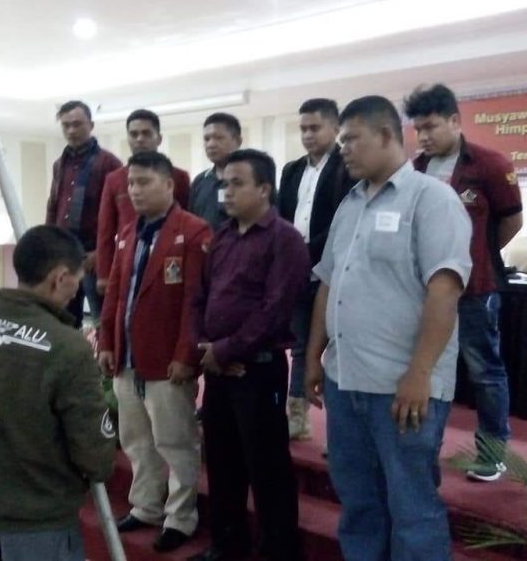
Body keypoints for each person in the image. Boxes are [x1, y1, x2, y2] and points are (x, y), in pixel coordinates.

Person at [305, 96, 472, 561]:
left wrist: (420, 373)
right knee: (358, 499)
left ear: (385, 135)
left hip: (403, 386)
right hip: (345, 380)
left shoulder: (432, 199)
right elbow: (328, 283)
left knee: (411, 504)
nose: (343, 150)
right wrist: (315, 356)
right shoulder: (350, 204)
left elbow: (444, 290)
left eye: (351, 139)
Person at [0, 225, 116, 561]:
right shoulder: (67, 346)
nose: (77, 290)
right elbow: (94, 452)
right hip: (41, 512)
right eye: (77, 279)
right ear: (59, 278)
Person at [189, 149, 309, 561]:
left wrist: (225, 350)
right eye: (224, 183)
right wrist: (206, 348)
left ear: (264, 189)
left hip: (258, 371)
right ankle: (227, 545)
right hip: (219, 370)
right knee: (222, 463)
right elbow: (200, 298)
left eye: (237, 183)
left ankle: (279, 551)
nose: (226, 191)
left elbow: (274, 311)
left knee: (267, 467)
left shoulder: (284, 239)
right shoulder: (221, 237)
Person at [405, 84, 523, 482]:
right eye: (418, 129)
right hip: (424, 292)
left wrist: (474, 258)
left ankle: (492, 453)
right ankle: (424, 448)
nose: (423, 137)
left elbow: (511, 221)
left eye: (431, 127)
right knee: (429, 370)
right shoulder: (415, 170)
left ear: (455, 120)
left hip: (475, 290)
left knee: (484, 372)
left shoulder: (489, 164)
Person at [98, 152, 211, 552]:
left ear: (168, 185)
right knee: (136, 440)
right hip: (127, 356)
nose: (134, 190)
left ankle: (180, 517)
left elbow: (195, 302)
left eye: (144, 182)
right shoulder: (128, 232)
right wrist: (106, 342)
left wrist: (186, 354)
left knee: (175, 443)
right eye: (131, 183)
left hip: (168, 360)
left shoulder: (193, 232)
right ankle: (146, 506)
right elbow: (115, 294)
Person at [277, 98, 354, 440]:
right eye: (303, 129)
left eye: (315, 128)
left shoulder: (346, 167)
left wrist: (307, 252)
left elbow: (342, 218)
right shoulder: (292, 170)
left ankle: (344, 426)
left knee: (337, 344)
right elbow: (282, 217)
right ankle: (297, 416)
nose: (308, 135)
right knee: (299, 344)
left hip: (333, 269)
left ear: (335, 129)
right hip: (296, 271)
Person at [96, 109, 191, 297]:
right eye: (134, 134)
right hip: (127, 258)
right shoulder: (114, 179)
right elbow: (105, 230)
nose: (140, 139)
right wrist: (104, 274)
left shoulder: (178, 177)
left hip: (168, 258)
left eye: (146, 133)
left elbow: (187, 222)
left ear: (159, 138)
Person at [46, 100, 122, 327]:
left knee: (101, 320)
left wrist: (101, 253)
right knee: (64, 317)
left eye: (77, 124)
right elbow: (53, 206)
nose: (71, 130)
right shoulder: (60, 164)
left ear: (91, 125)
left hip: (94, 256)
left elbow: (123, 216)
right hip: (64, 255)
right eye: (66, 125)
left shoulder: (109, 163)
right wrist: (49, 245)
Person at [188, 112, 243, 231]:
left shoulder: (250, 178)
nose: (211, 144)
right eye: (206, 139)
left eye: (218, 138)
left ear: (237, 141)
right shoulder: (200, 181)